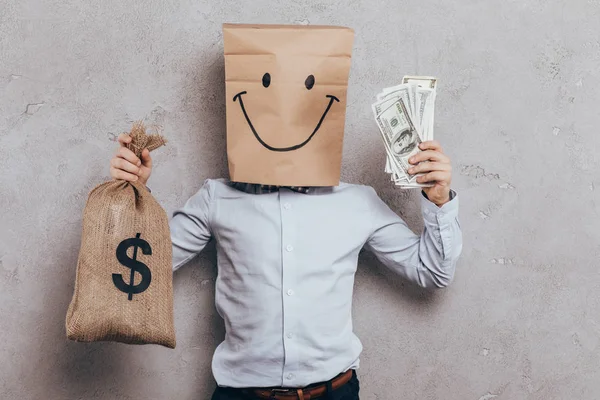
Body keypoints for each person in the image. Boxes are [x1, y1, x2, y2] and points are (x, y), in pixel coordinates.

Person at [109, 135, 462, 400]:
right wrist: (133, 193)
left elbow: (432, 271)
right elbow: (139, 267)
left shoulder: (358, 202)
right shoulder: (217, 197)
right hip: (241, 395)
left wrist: (439, 197)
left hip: (335, 393)